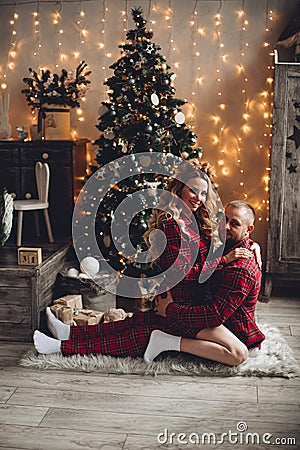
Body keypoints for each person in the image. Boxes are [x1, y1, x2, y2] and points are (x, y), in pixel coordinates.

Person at [33, 162, 263, 366]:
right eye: (193, 190)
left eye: (203, 193)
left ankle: (67, 334)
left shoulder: (198, 220)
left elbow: (225, 241)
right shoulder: (172, 226)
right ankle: (62, 346)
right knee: (136, 336)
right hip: (181, 300)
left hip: (190, 302)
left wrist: (254, 246)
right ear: (179, 188)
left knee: (135, 324)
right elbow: (181, 273)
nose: (198, 198)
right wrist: (223, 261)